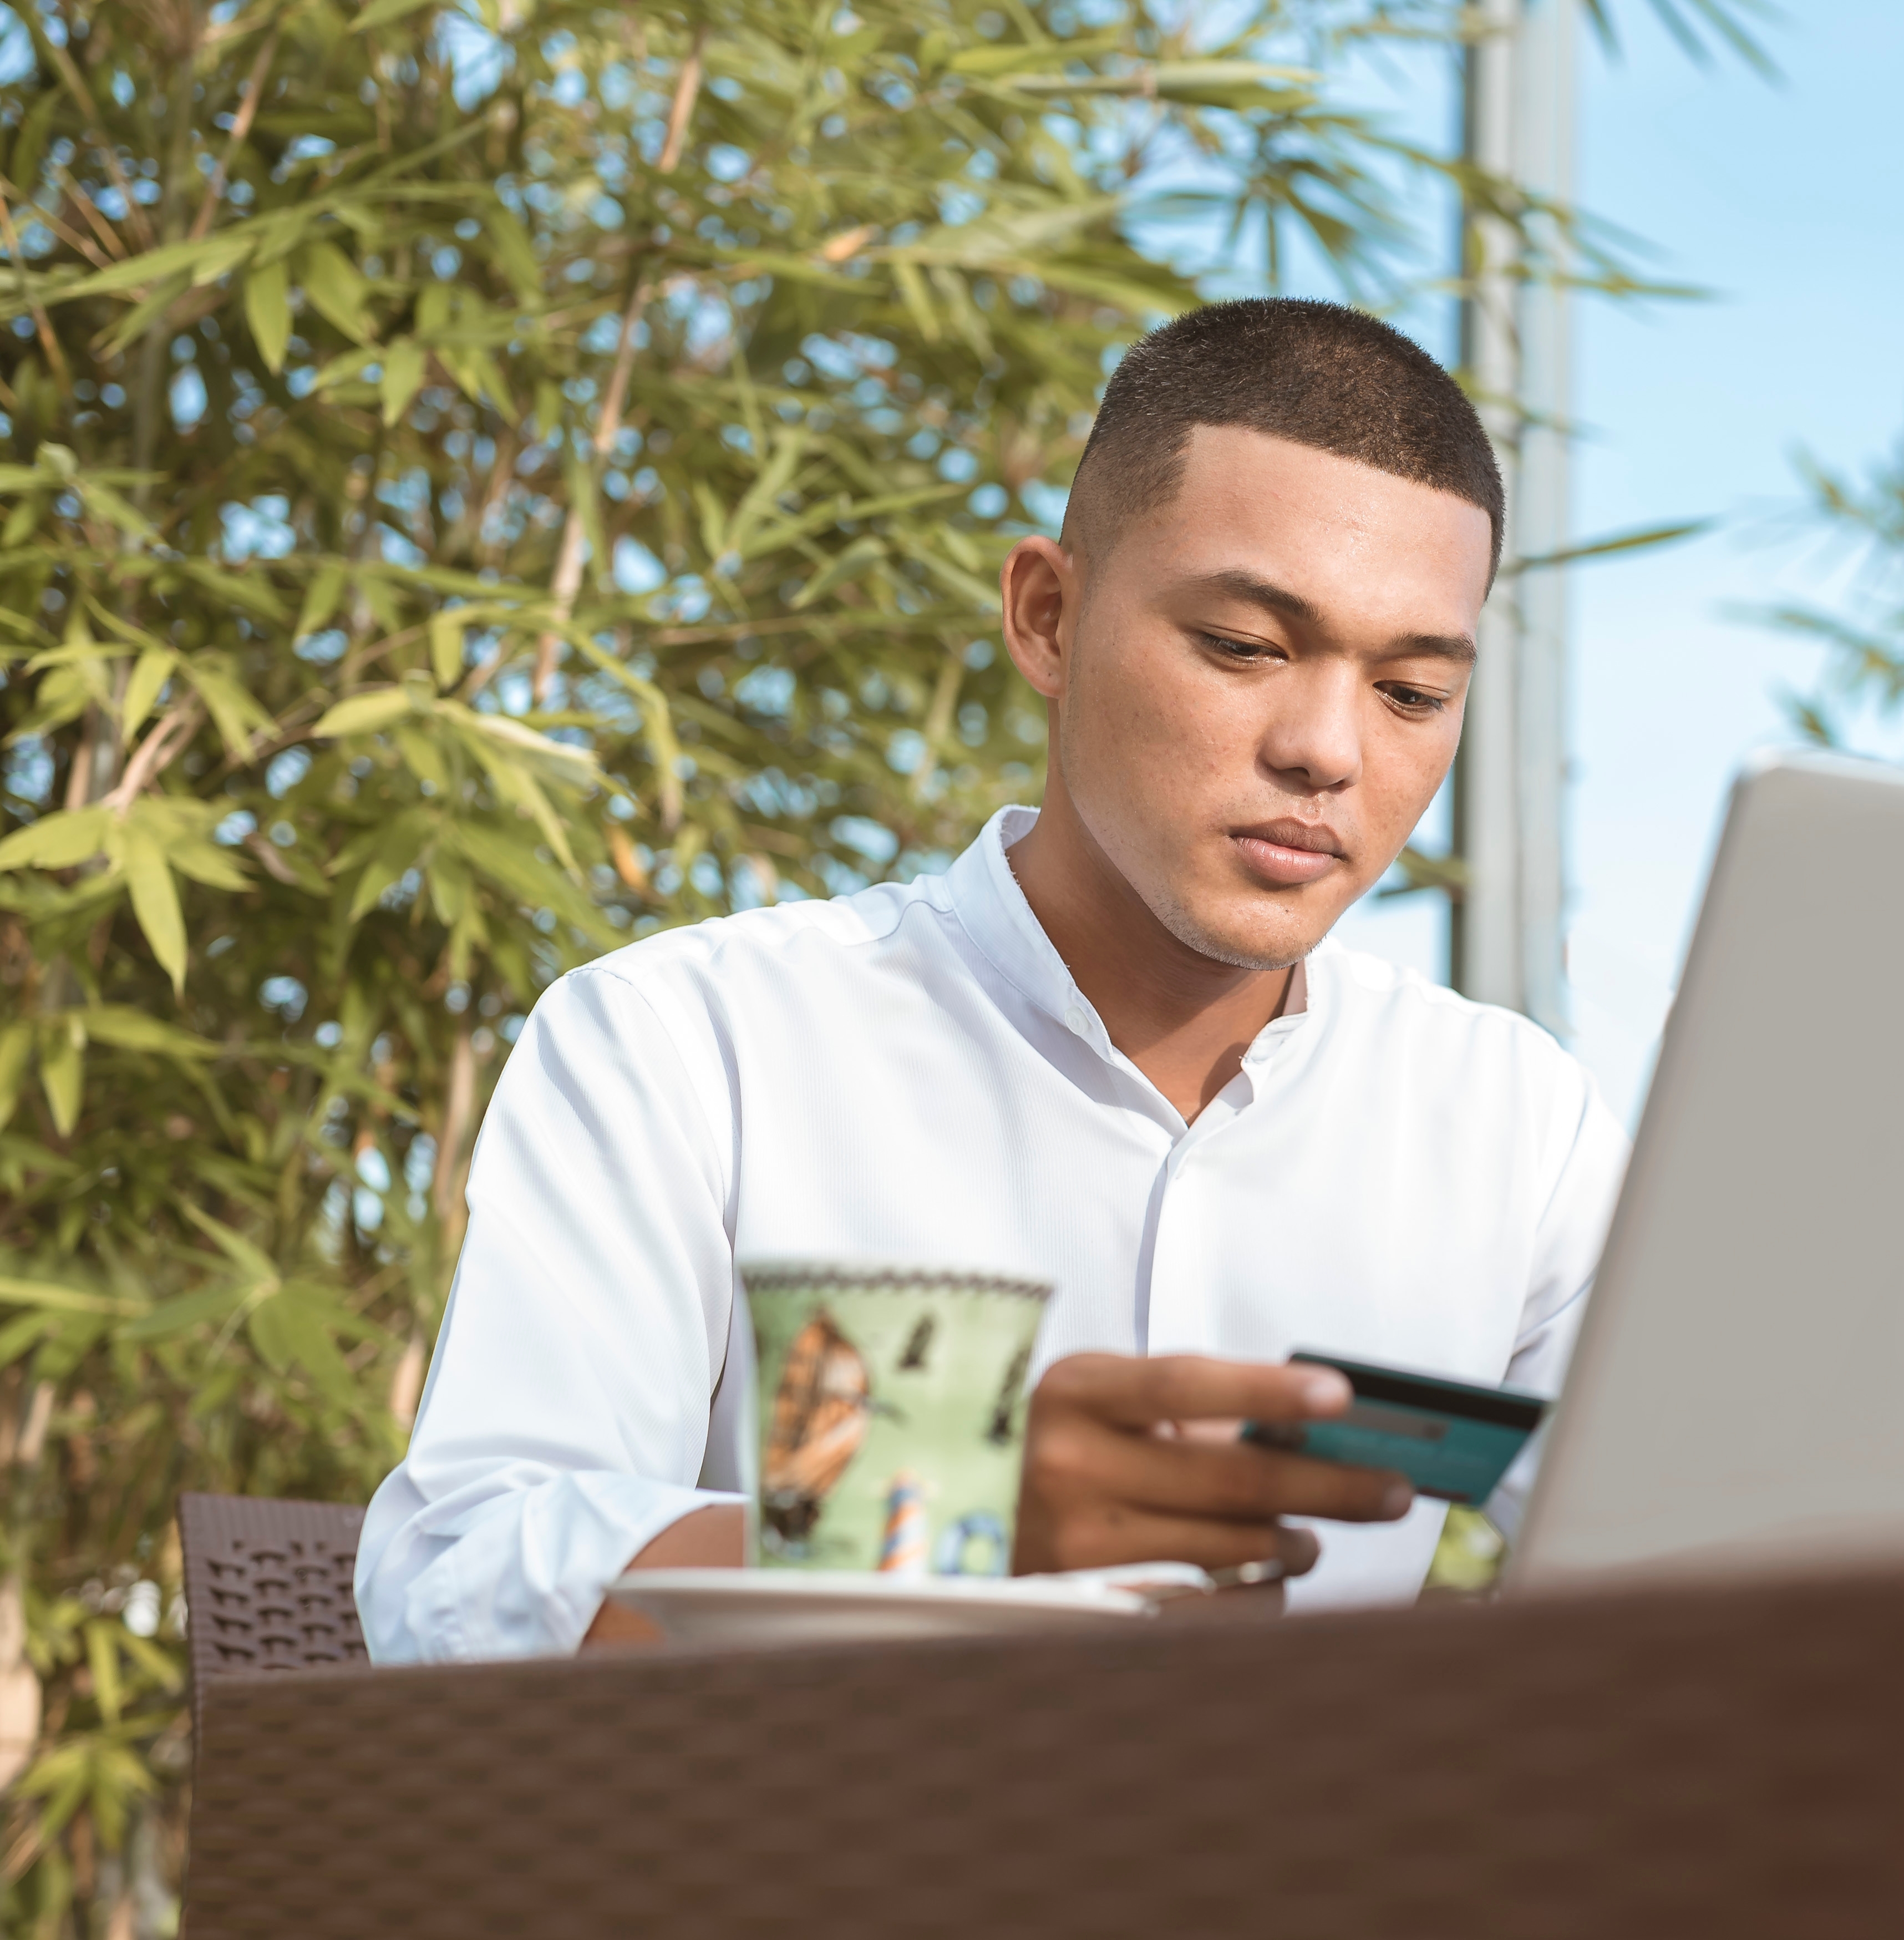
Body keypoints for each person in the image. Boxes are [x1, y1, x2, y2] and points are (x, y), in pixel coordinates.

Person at [355, 298, 1628, 1661]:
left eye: (1413, 694)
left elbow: (1724, 1562)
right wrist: (942, 1509)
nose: (1326, 749)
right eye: (1248, 648)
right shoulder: (691, 1042)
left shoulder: (1515, 1124)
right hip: (817, 1866)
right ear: (1047, 618)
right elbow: (457, 1584)